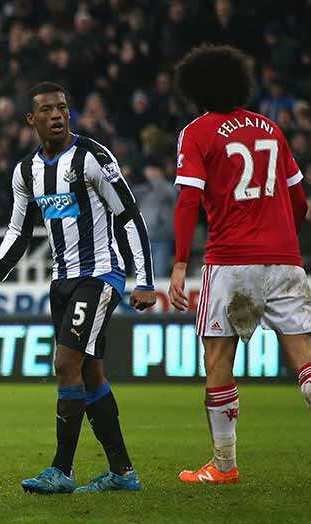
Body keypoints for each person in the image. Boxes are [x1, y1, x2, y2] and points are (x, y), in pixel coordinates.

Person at [0, 82, 156, 494]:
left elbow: (127, 215)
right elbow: (19, 231)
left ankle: (62, 470)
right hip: (63, 281)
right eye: (47, 110)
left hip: (100, 275)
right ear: (31, 119)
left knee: (65, 363)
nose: (56, 115)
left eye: (62, 108)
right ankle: (123, 473)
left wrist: (143, 280)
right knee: (90, 372)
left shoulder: (93, 157)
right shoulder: (26, 171)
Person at [168, 44, 311, 484]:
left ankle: (224, 467)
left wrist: (178, 264)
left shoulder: (198, 132)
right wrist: (282, 235)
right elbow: (300, 201)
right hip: (286, 259)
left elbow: (189, 199)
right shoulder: (271, 128)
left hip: (232, 262)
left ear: (197, 88)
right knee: (306, 362)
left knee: (218, 358)